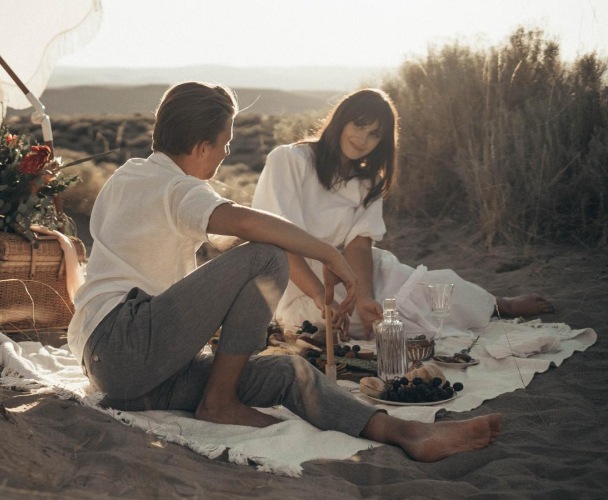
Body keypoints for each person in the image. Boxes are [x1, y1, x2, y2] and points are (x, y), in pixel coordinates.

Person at [68, 81, 502, 462]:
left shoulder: (129, 177)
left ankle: (405, 432)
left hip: (137, 375)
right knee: (267, 256)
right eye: (225, 144)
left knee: (285, 371)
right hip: (123, 342)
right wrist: (329, 257)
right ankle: (219, 402)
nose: (226, 154)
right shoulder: (174, 187)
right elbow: (248, 226)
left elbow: (213, 252)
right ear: (201, 148)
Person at [252, 88, 554, 340]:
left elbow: (359, 245)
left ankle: (497, 305)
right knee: (329, 323)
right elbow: (279, 239)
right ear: (341, 120)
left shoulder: (367, 181)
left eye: (374, 134)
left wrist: (363, 296)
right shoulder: (289, 159)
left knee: (423, 293)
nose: (362, 138)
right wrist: (321, 295)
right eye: (358, 125)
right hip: (296, 279)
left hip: (354, 275)